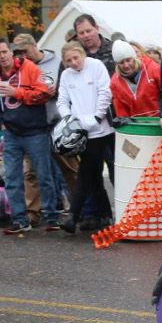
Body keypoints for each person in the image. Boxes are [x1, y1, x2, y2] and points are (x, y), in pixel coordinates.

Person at [0, 36, 62, 235]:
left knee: (43, 175)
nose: (2, 57)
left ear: (11, 51)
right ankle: (19, 219)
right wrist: (1, 122)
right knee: (12, 177)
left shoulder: (29, 68)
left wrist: (16, 92)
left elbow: (43, 94)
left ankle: (52, 216)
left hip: (36, 131)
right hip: (12, 133)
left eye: (5, 52)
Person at [56, 41, 114, 234]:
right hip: (82, 132)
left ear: (82, 55)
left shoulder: (96, 66)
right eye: (68, 60)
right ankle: (104, 215)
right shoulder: (66, 75)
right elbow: (62, 101)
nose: (73, 63)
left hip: (102, 130)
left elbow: (105, 92)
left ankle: (74, 214)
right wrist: (70, 121)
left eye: (75, 58)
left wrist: (97, 116)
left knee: (88, 173)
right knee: (92, 174)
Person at [109, 40, 161, 118]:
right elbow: (120, 107)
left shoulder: (153, 69)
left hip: (160, 119)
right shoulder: (115, 82)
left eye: (128, 60)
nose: (126, 65)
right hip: (136, 124)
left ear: (134, 58)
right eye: (121, 62)